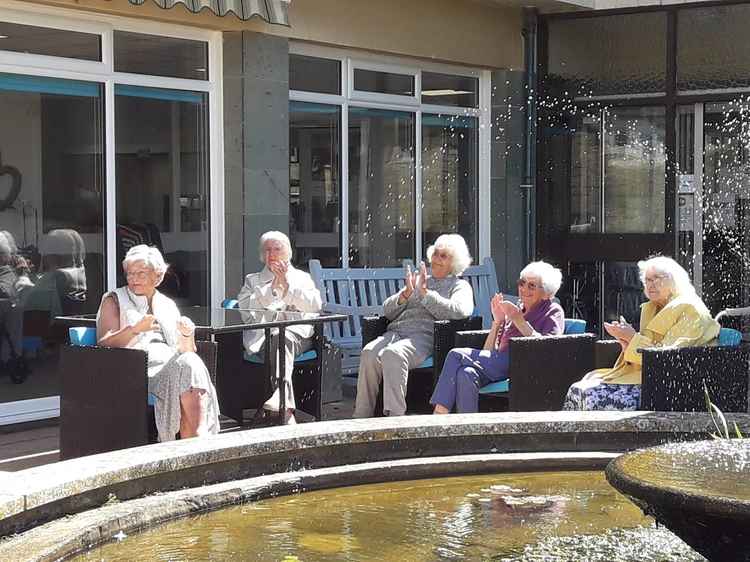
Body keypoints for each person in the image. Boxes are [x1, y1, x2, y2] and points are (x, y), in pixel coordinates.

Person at [563, 256, 720, 411]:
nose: (650, 285)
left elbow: (668, 358)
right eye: (647, 280)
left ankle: (589, 437)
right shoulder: (652, 307)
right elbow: (644, 353)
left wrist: (632, 337)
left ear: (674, 280)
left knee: (588, 395)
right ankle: (572, 437)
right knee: (577, 389)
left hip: (672, 385)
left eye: (656, 278)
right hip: (647, 377)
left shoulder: (690, 308)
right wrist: (626, 342)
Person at [97, 245, 220, 441]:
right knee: (189, 369)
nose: (134, 279)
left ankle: (197, 438)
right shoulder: (114, 300)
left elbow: (187, 351)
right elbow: (103, 343)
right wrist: (135, 329)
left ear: (158, 276)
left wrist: (187, 335)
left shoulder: (167, 305)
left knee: (190, 363)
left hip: (175, 365)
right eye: (130, 273)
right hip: (135, 369)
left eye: (141, 273)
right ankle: (199, 442)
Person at [353, 234, 475, 418]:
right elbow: (387, 311)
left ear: (454, 263)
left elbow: (460, 311)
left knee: (393, 354)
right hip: (396, 331)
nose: (436, 259)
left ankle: (395, 418)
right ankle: (361, 416)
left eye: (444, 256)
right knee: (369, 352)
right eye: (435, 254)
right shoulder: (419, 281)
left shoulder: (459, 286)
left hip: (425, 336)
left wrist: (426, 294)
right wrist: (405, 294)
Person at [431, 261, 565, 414]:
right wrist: (497, 322)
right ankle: (469, 431)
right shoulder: (517, 308)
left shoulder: (552, 310)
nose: (524, 289)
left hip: (522, 364)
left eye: (532, 286)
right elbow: (489, 351)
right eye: (522, 283)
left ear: (547, 292)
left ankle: (439, 413)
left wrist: (519, 321)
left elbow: (551, 346)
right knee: (466, 373)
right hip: (499, 362)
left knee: (455, 355)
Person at [237, 231, 322, 425]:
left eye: (277, 249)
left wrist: (288, 288)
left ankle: (281, 401)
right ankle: (285, 409)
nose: (272, 254)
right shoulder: (253, 280)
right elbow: (246, 312)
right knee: (277, 337)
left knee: (282, 337)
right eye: (267, 250)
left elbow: (315, 305)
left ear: (288, 253)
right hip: (262, 339)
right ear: (261, 255)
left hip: (298, 338)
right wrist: (272, 288)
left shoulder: (302, 278)